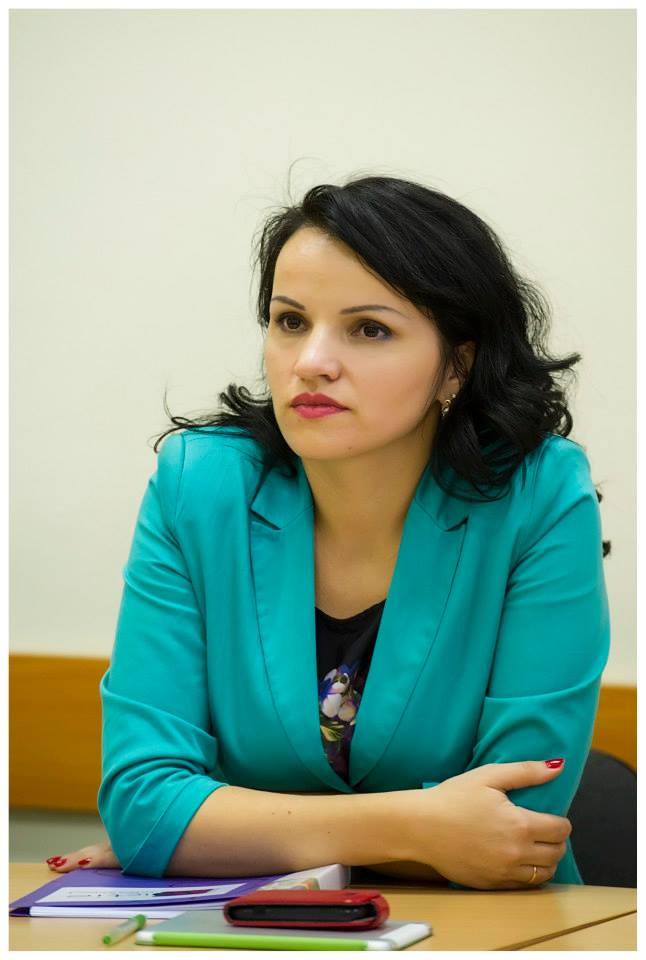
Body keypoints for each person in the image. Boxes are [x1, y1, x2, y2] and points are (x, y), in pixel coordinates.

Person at [44, 174, 610, 890]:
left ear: (456, 366)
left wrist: (221, 832)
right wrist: (422, 827)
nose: (311, 362)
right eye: (290, 321)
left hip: (498, 930)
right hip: (252, 927)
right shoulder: (200, 486)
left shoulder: (536, 495)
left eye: (369, 329)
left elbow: (515, 827)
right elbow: (142, 803)